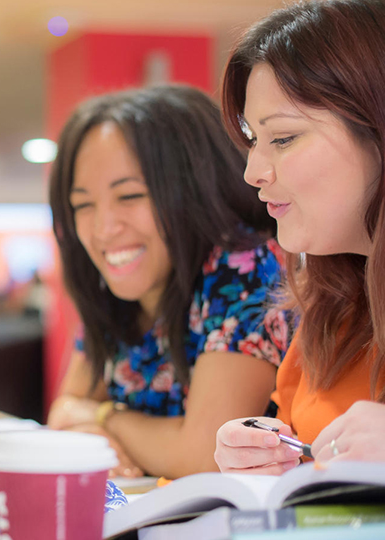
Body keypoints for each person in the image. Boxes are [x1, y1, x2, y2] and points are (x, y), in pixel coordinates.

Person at [46, 86, 292, 479]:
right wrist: (85, 418)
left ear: (195, 189)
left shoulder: (244, 266)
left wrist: (103, 416)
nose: (104, 229)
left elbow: (202, 455)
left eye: (129, 196)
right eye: (83, 205)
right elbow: (64, 409)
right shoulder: (116, 290)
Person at [212, 0, 385, 475]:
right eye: (252, 141)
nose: (252, 172)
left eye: (283, 139)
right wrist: (266, 462)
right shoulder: (330, 311)